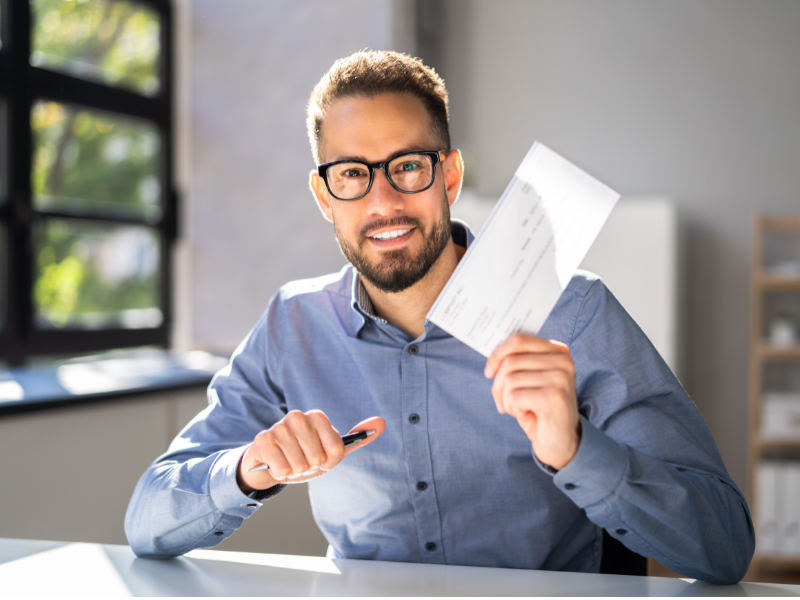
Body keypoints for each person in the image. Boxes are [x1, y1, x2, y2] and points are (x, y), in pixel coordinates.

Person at [125, 50, 754, 583]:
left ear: (448, 175)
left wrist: (577, 450)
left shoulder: (573, 311)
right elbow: (147, 520)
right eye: (352, 174)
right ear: (324, 196)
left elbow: (724, 548)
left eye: (407, 166)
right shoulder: (292, 325)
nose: (384, 201)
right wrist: (245, 470)